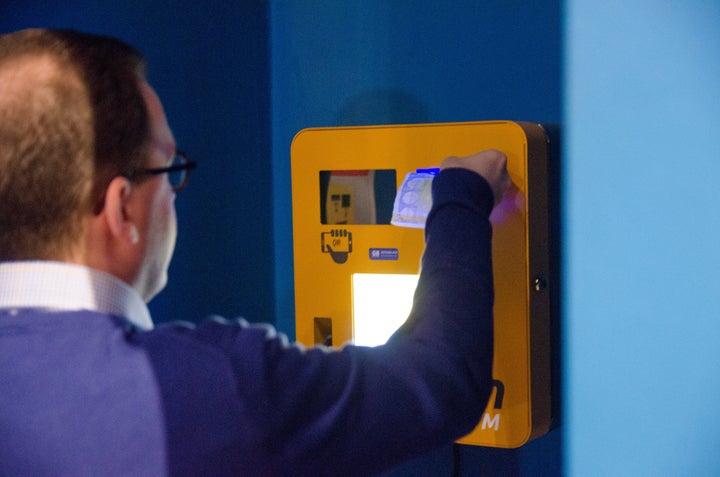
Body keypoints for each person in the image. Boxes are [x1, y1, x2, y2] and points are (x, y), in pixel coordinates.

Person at [0, 28, 510, 476]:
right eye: (169, 168)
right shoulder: (206, 386)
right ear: (121, 209)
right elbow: (440, 381)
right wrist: (463, 195)